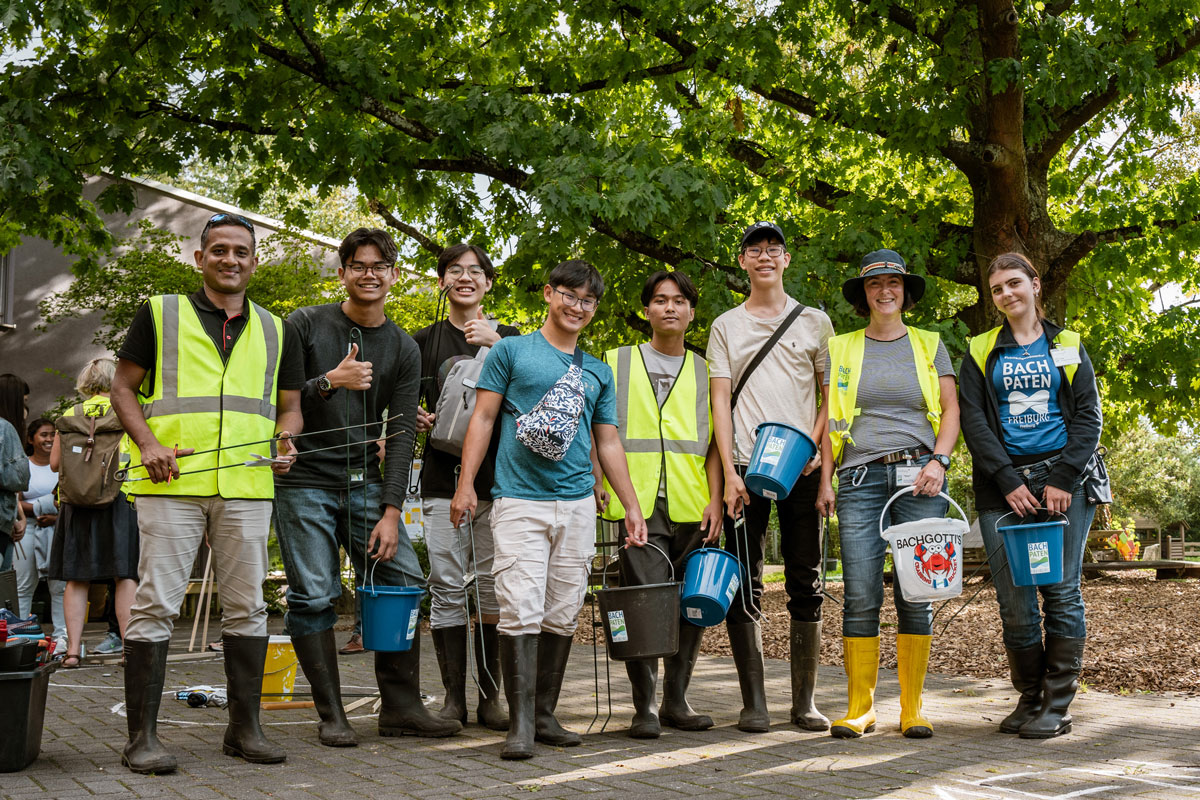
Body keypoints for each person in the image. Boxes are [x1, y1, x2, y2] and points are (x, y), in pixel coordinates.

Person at [111, 212, 305, 773]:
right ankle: (140, 739)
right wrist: (147, 443)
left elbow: (288, 408)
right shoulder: (159, 313)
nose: (230, 260)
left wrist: (286, 443)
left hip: (247, 483)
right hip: (170, 483)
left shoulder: (277, 329)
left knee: (248, 608)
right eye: (218, 250)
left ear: (254, 261)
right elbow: (122, 388)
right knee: (155, 606)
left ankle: (244, 730)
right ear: (200, 259)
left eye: (241, 252)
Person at [451, 260, 648, 759]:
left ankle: (543, 714)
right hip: (518, 500)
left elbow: (607, 442)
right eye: (569, 295)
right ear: (548, 293)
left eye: (588, 301)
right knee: (520, 607)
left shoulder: (598, 371)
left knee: (562, 611)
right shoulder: (511, 351)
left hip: (578, 504)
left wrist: (631, 505)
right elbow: (484, 418)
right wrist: (466, 484)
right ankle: (518, 724)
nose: (577, 307)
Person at [273, 227, 461, 747]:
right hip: (304, 482)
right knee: (314, 596)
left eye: (379, 266)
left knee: (401, 580)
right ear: (343, 273)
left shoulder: (402, 347)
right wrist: (328, 382)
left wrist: (390, 510)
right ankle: (332, 715)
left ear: (393, 276)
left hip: (364, 486)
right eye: (358, 265)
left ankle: (401, 709)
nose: (369, 274)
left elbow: (402, 435)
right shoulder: (305, 325)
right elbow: (279, 403)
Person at [816, 250, 960, 739]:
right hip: (858, 480)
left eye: (893, 283)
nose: (884, 291)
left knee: (916, 593)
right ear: (864, 294)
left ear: (905, 291)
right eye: (875, 283)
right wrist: (825, 480)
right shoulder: (841, 347)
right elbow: (828, 416)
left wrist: (939, 461)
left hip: (921, 478)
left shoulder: (929, 344)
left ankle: (912, 709)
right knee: (860, 594)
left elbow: (950, 409)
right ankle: (861, 707)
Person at [959, 252, 1102, 740]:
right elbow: (973, 421)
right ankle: (1030, 697)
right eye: (997, 288)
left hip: (1066, 485)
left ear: (1035, 285)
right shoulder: (980, 350)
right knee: (1014, 598)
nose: (1006, 294)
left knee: (1060, 589)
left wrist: (1062, 476)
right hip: (1004, 489)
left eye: (1014, 283)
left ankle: (1058, 704)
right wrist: (1007, 480)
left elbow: (1088, 416)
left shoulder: (1066, 344)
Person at [707, 222, 835, 733]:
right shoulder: (725, 325)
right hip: (743, 467)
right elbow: (718, 398)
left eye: (773, 250)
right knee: (745, 580)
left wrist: (820, 461)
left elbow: (830, 397)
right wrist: (728, 476)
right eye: (755, 250)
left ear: (786, 260)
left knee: (807, 581)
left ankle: (804, 701)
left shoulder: (815, 322)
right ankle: (754, 702)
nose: (765, 257)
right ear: (742, 261)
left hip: (801, 467)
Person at [595, 270, 724, 739]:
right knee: (644, 604)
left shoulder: (708, 370)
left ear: (692, 311)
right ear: (646, 310)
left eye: (679, 301)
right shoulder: (615, 361)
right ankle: (644, 706)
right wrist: (597, 479)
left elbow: (713, 444)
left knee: (692, 603)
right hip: (638, 504)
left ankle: (676, 700)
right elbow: (599, 427)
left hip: (693, 505)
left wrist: (715, 497)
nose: (669, 308)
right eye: (660, 300)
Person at [412, 244, 519, 731]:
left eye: (476, 271)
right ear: (441, 282)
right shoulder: (421, 341)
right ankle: (454, 697)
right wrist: (409, 415)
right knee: (447, 586)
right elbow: (395, 407)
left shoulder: (515, 338)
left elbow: (537, 398)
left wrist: (496, 342)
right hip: (439, 481)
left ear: (489, 283)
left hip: (500, 483)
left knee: (494, 589)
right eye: (454, 270)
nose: (465, 277)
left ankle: (490, 699)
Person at [47, 359, 141, 668]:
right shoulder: (126, 411)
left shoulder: (69, 415)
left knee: (77, 577)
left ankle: (73, 651)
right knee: (124, 574)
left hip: (76, 504)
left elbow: (56, 465)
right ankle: (129, 648)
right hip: (118, 501)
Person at [15, 418, 66, 656]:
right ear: (30, 439)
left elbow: (70, 499)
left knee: (60, 586)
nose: (49, 439)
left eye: (53, 435)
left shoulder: (63, 465)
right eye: (44, 435)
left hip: (59, 528)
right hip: (27, 529)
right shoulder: (23, 465)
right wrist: (40, 509)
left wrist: (54, 517)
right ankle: (21, 636)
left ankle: (62, 637)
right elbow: (14, 503)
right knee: (24, 585)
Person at [0, 374, 31, 574]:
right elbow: (17, 478)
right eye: (24, 401)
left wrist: (19, 517)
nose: (26, 409)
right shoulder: (5, 428)